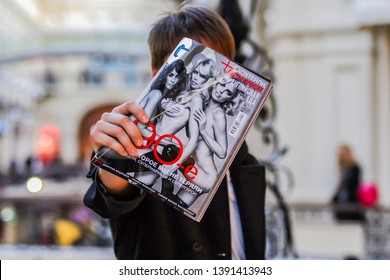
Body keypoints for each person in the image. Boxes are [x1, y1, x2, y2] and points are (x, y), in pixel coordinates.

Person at [84, 4, 266, 260]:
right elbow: (116, 193)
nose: (205, 81)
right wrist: (111, 162)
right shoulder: (134, 137)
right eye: (192, 67)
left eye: (219, 68)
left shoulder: (245, 164)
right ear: (158, 75)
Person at [175, 75, 246, 207]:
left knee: (171, 150)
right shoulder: (201, 104)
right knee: (174, 207)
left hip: (206, 176)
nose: (221, 91)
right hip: (196, 170)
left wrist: (203, 130)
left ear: (230, 98)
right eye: (222, 84)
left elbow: (222, 152)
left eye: (228, 92)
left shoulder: (218, 115)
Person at [331, 144, 364, 221]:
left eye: (344, 153)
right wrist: (333, 198)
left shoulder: (355, 168)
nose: (342, 155)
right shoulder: (343, 169)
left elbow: (353, 186)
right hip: (341, 203)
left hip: (351, 203)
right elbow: (340, 187)